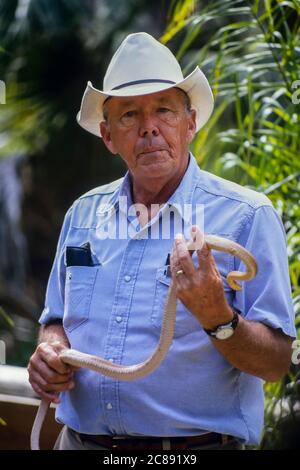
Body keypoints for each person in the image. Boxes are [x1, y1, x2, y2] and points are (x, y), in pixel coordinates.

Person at [28, 32, 296, 451]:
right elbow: (54, 319)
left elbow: (277, 363)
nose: (149, 127)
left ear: (190, 123)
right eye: (130, 115)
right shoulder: (82, 214)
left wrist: (217, 316)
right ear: (108, 135)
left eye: (164, 110)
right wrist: (51, 350)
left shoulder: (246, 217)